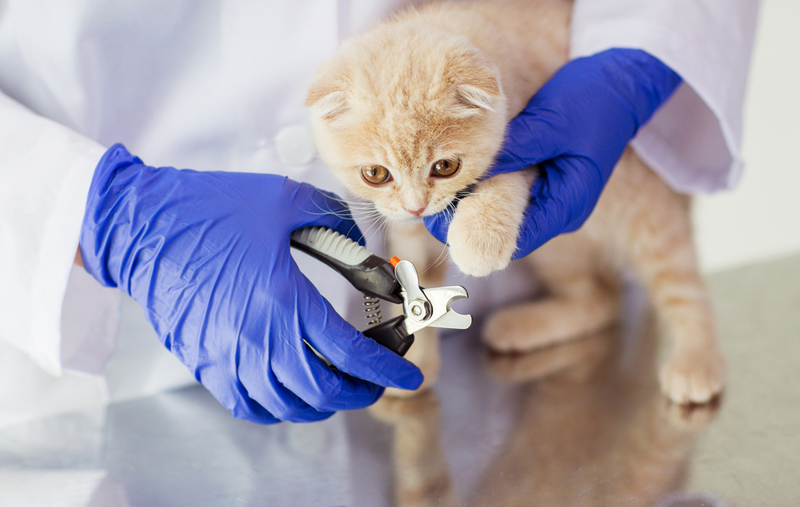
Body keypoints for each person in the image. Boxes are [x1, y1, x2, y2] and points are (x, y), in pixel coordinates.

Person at [0, 1, 758, 427]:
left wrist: (645, 45)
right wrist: (100, 213)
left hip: (508, 377)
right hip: (114, 367)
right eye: (381, 175)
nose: (415, 198)